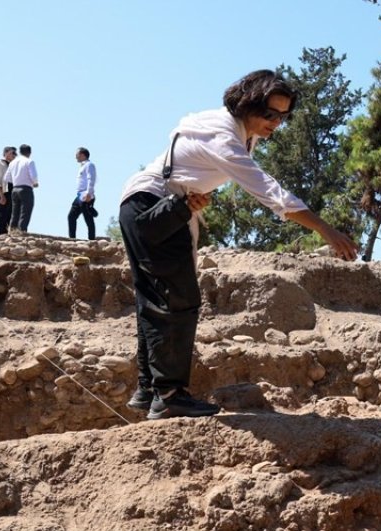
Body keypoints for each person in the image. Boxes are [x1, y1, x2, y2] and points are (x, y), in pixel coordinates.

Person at [118, 69, 359, 419]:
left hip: (153, 206)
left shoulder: (238, 131)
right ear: (249, 104)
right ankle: (169, 395)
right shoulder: (224, 135)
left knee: (159, 298)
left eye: (283, 116)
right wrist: (325, 230)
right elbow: (267, 190)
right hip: (153, 205)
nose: (276, 123)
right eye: (270, 113)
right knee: (177, 299)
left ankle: (150, 390)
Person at [3, 144, 38, 233]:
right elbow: (33, 175)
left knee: (15, 212)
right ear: (29, 152)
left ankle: (12, 231)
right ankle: (22, 231)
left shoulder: (12, 162)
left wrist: (15, 180)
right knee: (25, 212)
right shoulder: (29, 161)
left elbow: (6, 178)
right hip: (26, 188)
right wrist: (35, 183)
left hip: (15, 189)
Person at [68, 147, 98, 239]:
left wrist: (89, 193)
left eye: (77, 154)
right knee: (71, 216)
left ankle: (92, 240)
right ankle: (72, 238)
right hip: (79, 195)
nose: (75, 156)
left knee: (88, 218)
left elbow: (91, 179)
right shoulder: (82, 166)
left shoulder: (89, 165)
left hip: (86, 194)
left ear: (82, 154)